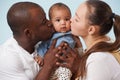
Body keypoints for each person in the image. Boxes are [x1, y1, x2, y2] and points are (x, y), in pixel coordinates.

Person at [0, 2, 70, 80]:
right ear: (28, 33)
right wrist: (48, 65)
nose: (50, 23)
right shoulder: (7, 58)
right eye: (44, 22)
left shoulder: (43, 42)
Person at [62, 0, 120, 80]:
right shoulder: (106, 45)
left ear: (91, 30)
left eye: (77, 19)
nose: (70, 20)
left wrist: (77, 71)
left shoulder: (99, 59)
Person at [36, 2, 82, 80]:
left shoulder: (72, 34)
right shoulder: (51, 36)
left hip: (65, 64)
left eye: (67, 19)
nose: (63, 23)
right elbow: (43, 45)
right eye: (58, 20)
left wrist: (80, 48)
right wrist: (40, 56)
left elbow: (78, 48)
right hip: (51, 65)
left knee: (65, 75)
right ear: (51, 22)